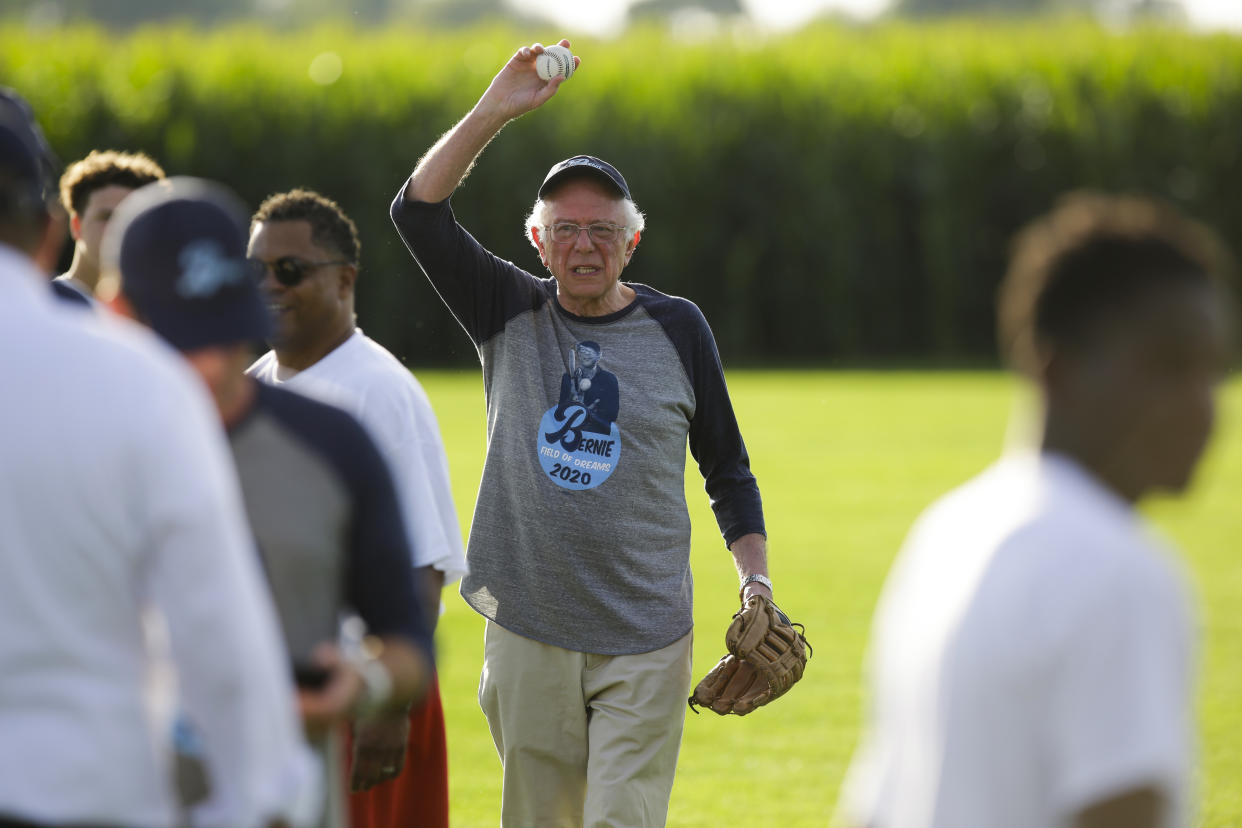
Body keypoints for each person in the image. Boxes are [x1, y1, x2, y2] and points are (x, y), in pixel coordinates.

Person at [389, 41, 772, 827]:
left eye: (603, 230)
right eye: (566, 229)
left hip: (647, 634)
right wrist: (497, 107)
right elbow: (415, 213)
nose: (585, 246)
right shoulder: (507, 310)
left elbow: (728, 471)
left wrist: (755, 581)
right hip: (529, 625)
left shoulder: (679, 329)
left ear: (632, 241)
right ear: (538, 241)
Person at [837, 193, 1235, 828]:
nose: (1203, 406)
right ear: (1058, 367)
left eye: (1213, 371)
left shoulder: (944, 535)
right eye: (1169, 366)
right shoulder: (1120, 575)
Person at [0, 89, 318, 828]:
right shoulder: (141, 383)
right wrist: (266, 796)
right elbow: (217, 633)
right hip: (83, 788)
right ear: (53, 233)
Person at [98, 177, 437, 828]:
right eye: (180, 338)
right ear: (120, 313)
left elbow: (409, 642)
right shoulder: (60, 446)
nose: (208, 367)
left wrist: (363, 686)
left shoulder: (333, 444)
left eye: (223, 336)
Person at [245, 188, 467, 827]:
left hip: (365, 696)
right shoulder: (257, 381)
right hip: (283, 695)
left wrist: (387, 710)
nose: (269, 286)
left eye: (290, 271)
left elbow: (421, 570)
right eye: (255, 271)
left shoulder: (379, 392)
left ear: (345, 280)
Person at [53, 148, 165, 305]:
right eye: (106, 217)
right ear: (76, 226)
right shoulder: (42, 304)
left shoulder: (154, 318)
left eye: (131, 218)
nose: (119, 227)